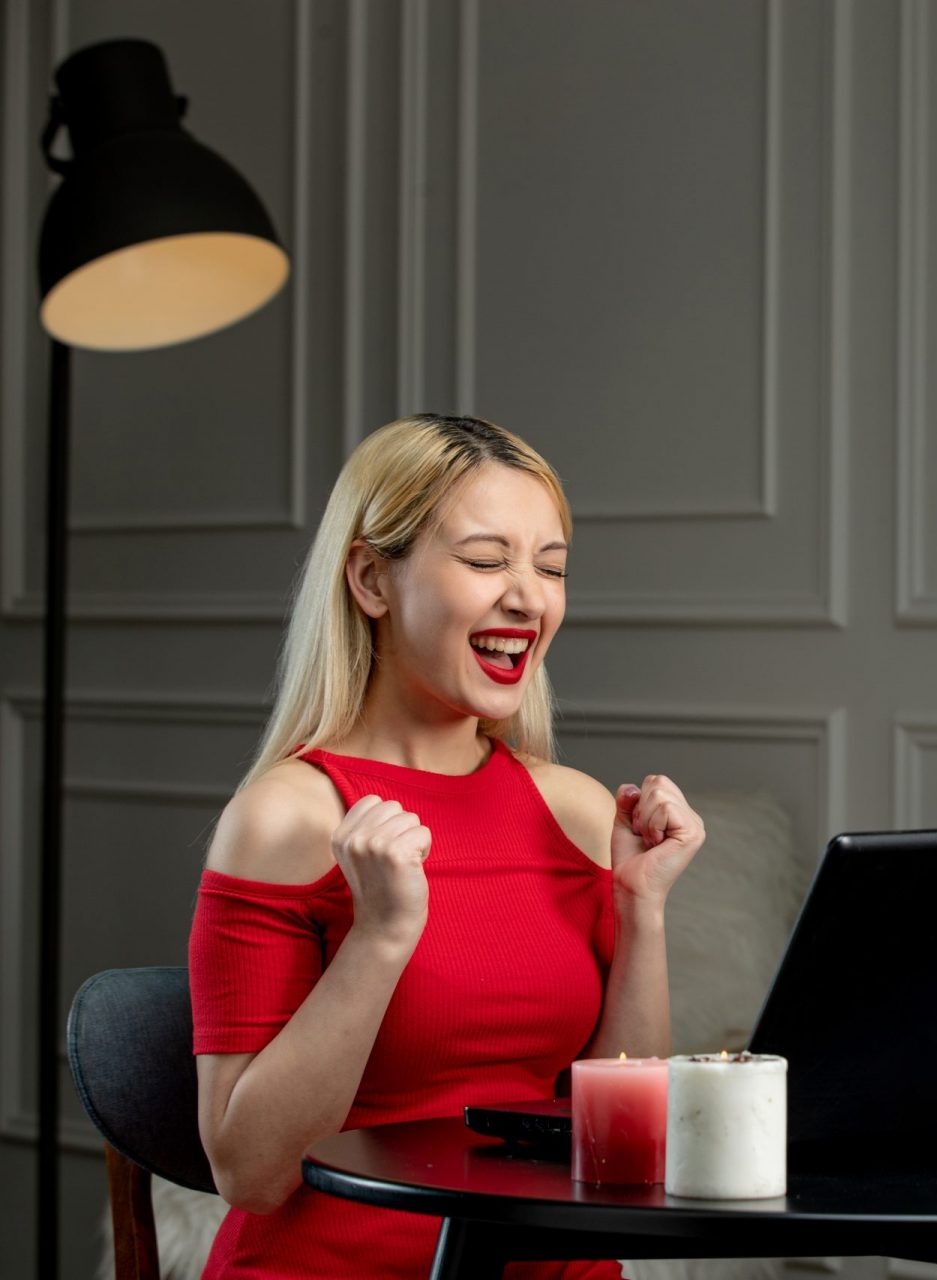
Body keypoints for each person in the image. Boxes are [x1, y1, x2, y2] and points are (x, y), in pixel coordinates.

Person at [188, 414, 705, 1279]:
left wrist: (640, 908)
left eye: (551, 568)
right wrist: (381, 938)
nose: (529, 598)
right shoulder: (282, 819)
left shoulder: (575, 809)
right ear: (370, 580)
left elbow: (627, 1159)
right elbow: (250, 1173)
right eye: (484, 560)